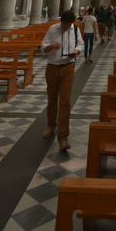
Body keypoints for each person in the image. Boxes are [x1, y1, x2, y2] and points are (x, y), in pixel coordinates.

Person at [41, 9, 84, 149]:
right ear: (61, 22)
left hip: (68, 68)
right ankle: (50, 126)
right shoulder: (53, 29)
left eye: (68, 25)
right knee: (52, 99)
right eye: (64, 24)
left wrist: (76, 51)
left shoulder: (75, 30)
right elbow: (43, 46)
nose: (66, 27)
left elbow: (80, 45)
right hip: (52, 67)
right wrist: (51, 46)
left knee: (65, 101)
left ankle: (63, 136)